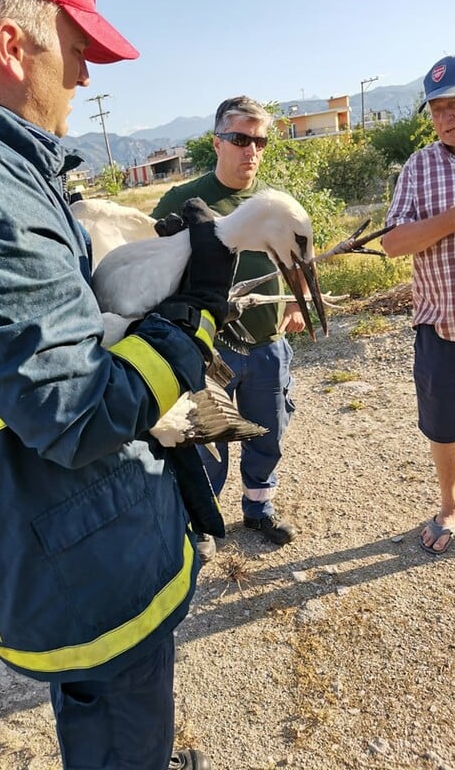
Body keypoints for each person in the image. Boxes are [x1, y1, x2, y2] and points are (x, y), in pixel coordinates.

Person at [0, 0, 238, 768]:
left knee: (111, 714)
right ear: (11, 46)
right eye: (76, 50)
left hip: (67, 534)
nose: (84, 76)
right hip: (79, 560)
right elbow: (78, 410)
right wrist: (194, 315)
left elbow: (54, 351)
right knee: (121, 721)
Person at [152, 96, 308, 563]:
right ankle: (203, 522)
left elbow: (297, 259)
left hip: (267, 344)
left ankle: (259, 509)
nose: (251, 151)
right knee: (202, 443)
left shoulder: (274, 203)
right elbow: (153, 271)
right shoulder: (184, 202)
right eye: (240, 139)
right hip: (206, 353)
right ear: (217, 142)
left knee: (268, 433)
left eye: (259, 141)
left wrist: (296, 304)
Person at [382, 54, 455, 555]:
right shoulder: (421, 166)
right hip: (446, 323)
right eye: (436, 109)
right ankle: (450, 504)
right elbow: (393, 242)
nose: (446, 118)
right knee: (444, 425)